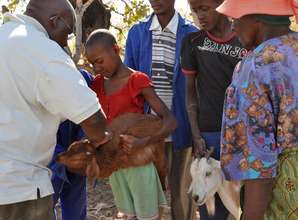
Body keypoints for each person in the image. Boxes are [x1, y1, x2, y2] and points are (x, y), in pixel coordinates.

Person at [0, 0, 112, 219]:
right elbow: (95, 122)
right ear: (55, 21)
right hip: (19, 190)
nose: (66, 42)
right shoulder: (41, 49)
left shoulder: (5, 37)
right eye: (68, 33)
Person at [216, 0, 298, 219]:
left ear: (256, 18)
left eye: (235, 19)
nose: (232, 27)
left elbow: (259, 161)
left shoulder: (256, 66)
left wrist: (251, 215)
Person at [85, 29, 177, 220]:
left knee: (148, 216)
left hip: (139, 164)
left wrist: (143, 142)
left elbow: (170, 122)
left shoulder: (137, 81)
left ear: (116, 49)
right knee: (127, 216)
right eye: (92, 64)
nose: (96, 68)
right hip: (115, 166)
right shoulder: (96, 85)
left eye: (100, 61)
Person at [124, 1, 198, 219]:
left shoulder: (191, 35)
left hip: (180, 127)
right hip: (146, 132)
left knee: (182, 193)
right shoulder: (138, 33)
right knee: (147, 194)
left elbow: (196, 85)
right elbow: (130, 84)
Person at [180, 0, 247, 219]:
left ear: (221, 5)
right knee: (209, 206)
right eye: (195, 9)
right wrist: (196, 135)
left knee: (243, 201)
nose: (199, 15)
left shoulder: (244, 37)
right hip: (208, 135)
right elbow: (190, 93)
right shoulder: (192, 42)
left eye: (205, 8)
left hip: (241, 135)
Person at [48, 69, 93, 220]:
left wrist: (82, 148)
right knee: (45, 206)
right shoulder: (37, 77)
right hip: (48, 157)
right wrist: (62, 157)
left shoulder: (83, 77)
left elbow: (92, 113)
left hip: (77, 154)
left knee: (76, 205)